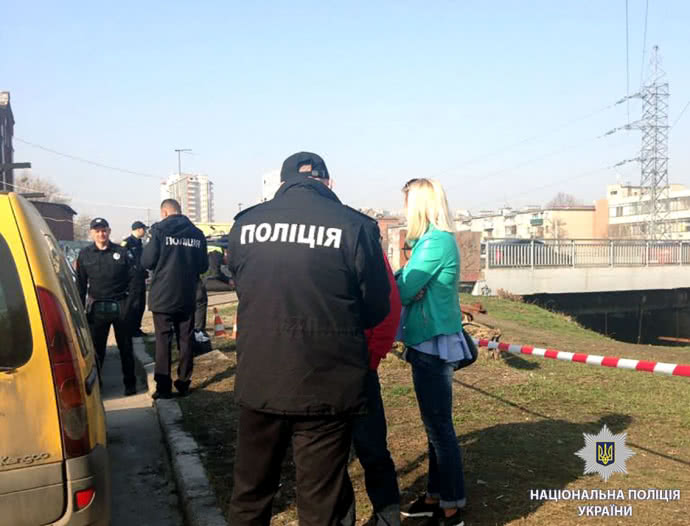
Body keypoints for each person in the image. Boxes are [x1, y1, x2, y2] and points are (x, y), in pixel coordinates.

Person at [227, 152, 391, 526]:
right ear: (328, 182)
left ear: (282, 183)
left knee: (250, 493)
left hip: (261, 380)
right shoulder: (355, 226)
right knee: (321, 502)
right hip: (327, 384)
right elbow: (377, 307)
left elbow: (244, 288)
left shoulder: (246, 224)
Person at [396, 178, 468, 526]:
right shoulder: (431, 241)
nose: (402, 210)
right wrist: (406, 279)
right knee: (435, 425)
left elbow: (402, 290)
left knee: (439, 428)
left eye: (406, 203)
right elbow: (406, 284)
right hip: (429, 340)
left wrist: (405, 281)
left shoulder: (435, 242)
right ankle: (435, 497)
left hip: (432, 343)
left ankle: (451, 507)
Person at [352, 249, 402, 526]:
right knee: (330, 457)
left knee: (372, 450)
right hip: (323, 369)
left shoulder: (362, 243)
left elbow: (389, 306)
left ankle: (388, 518)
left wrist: (371, 358)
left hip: (360, 368)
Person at [141, 199, 208, 399]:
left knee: (163, 341)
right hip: (187, 294)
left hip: (163, 295)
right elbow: (203, 266)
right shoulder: (197, 233)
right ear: (180, 211)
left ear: (164, 212)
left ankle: (163, 387)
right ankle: (184, 382)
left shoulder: (158, 231)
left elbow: (147, 261)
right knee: (186, 339)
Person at [76, 217, 137, 396]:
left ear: (109, 231)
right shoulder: (85, 254)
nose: (101, 234)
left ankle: (130, 384)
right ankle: (98, 386)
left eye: (104, 230)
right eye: (97, 231)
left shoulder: (122, 252)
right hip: (97, 307)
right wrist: (79, 310)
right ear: (91, 233)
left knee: (125, 347)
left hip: (120, 305)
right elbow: (80, 284)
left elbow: (134, 281)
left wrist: (130, 305)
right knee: (97, 349)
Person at [194, 246, 235, 343]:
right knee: (201, 301)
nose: (226, 264)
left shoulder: (214, 250)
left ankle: (196, 329)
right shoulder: (216, 252)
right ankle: (199, 331)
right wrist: (228, 281)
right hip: (196, 278)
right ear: (227, 253)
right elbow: (215, 273)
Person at [121, 220, 148, 337]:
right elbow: (123, 261)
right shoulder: (126, 243)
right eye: (144, 229)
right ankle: (131, 329)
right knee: (134, 305)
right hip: (131, 280)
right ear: (138, 229)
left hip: (141, 278)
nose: (145, 231)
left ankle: (137, 328)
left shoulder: (140, 243)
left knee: (141, 304)